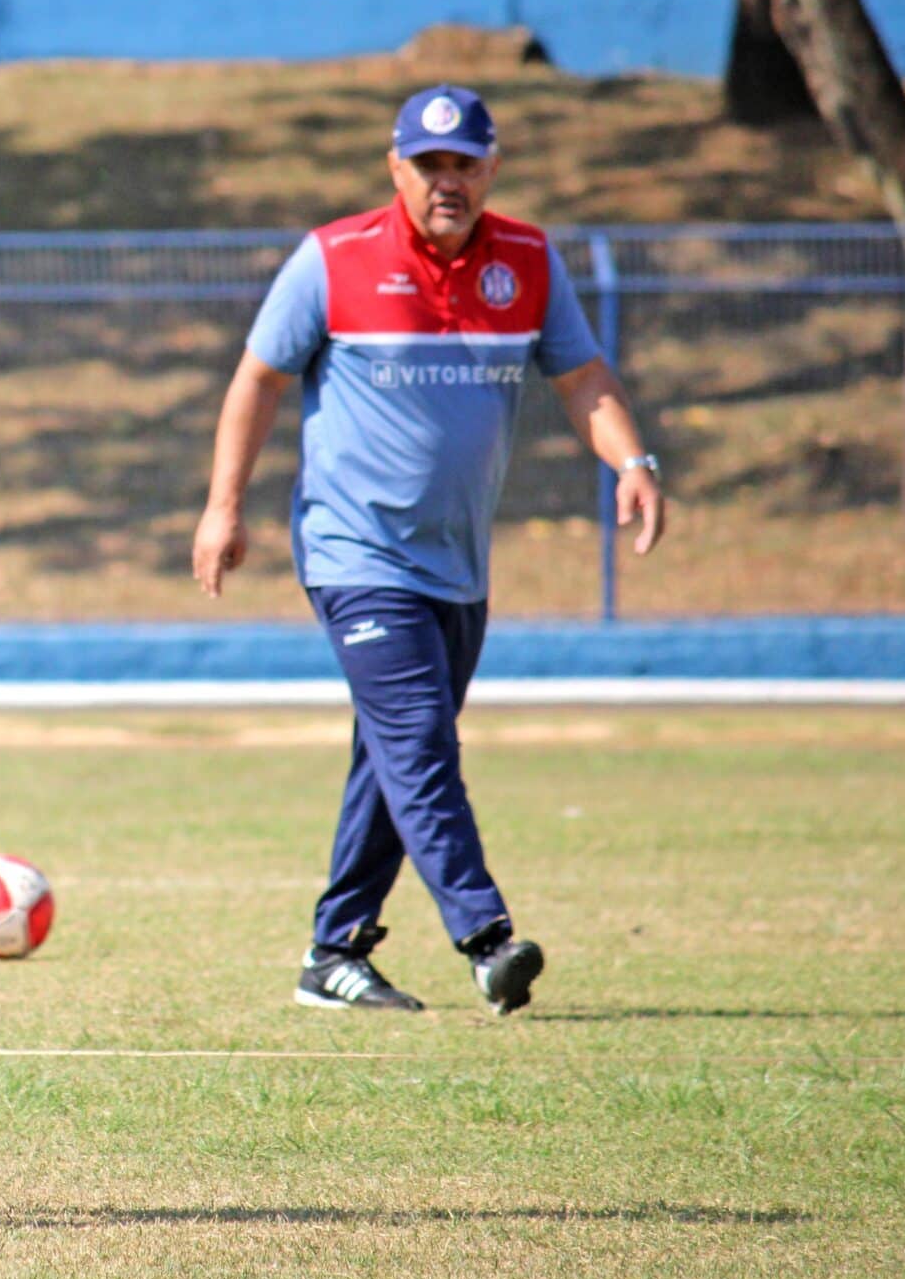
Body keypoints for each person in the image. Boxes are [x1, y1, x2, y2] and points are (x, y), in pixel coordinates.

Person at [192, 85, 665, 1016]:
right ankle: (485, 936)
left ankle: (333, 954)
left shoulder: (526, 260)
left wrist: (632, 461)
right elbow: (257, 378)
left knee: (393, 754)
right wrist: (222, 506)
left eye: (465, 163)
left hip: (458, 564)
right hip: (354, 552)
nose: (446, 181)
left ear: (492, 168)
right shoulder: (333, 259)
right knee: (418, 741)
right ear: (394, 167)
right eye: (428, 163)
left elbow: (581, 375)